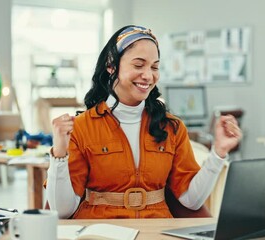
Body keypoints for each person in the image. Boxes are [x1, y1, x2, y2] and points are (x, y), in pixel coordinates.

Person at [45, 25, 242, 219]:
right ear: (111, 65)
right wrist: (59, 153)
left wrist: (219, 152)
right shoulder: (82, 127)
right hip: (101, 230)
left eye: (154, 67)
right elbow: (61, 212)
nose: (148, 76)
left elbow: (192, 200)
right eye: (138, 65)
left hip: (157, 230)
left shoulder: (171, 127)